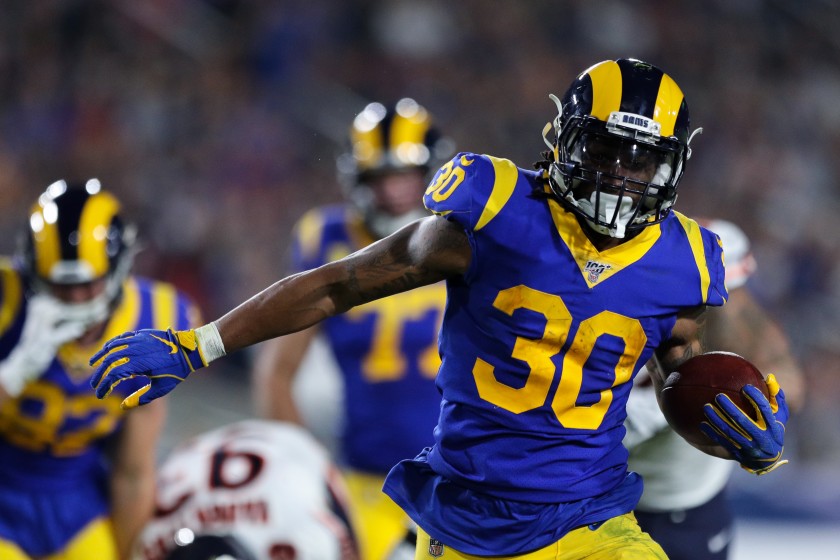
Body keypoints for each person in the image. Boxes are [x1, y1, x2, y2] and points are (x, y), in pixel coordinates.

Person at [90, 58, 790, 559]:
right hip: (468, 519)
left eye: (638, 161)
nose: (618, 177)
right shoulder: (497, 211)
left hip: (589, 519)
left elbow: (678, 376)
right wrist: (202, 343)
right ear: (565, 139)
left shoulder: (686, 260)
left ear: (671, 166)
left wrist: (737, 435)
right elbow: (341, 282)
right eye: (605, 151)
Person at [252, 97, 452, 560]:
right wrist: (311, 476)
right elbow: (275, 373)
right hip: (367, 484)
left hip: (463, 480)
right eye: (381, 177)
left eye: (405, 176)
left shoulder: (465, 233)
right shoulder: (327, 237)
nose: (394, 191)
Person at [0, 179, 201, 560]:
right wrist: (14, 371)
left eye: (89, 285)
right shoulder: (6, 300)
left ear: (119, 267)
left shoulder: (155, 319)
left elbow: (133, 472)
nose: (76, 299)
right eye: (60, 286)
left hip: (78, 504)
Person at [623, 218, 804, 560]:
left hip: (697, 508)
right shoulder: (642, 338)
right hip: (631, 509)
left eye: (737, 292)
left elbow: (789, 379)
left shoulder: (744, 327)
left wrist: (772, 403)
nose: (735, 306)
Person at [134, 419, 359, 560]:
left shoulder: (306, 540)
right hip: (200, 461)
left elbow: (351, 550)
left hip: (292, 454)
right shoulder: (152, 535)